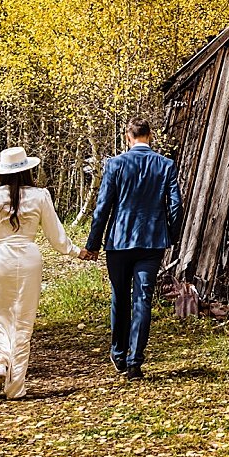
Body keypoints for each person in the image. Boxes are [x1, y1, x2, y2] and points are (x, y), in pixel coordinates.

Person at [0, 145, 80, 399]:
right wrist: (75, 251)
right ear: (28, 170)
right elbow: (56, 235)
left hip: (2, 257)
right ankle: (16, 385)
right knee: (23, 320)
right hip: (30, 258)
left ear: (1, 172)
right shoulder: (40, 195)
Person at [81, 120, 183, 380]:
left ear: (128, 137)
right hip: (152, 242)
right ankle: (135, 361)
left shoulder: (115, 165)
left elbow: (102, 207)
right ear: (150, 136)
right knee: (143, 299)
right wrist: (169, 235)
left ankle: (118, 353)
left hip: (119, 241)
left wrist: (93, 244)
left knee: (120, 297)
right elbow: (175, 207)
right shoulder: (166, 165)